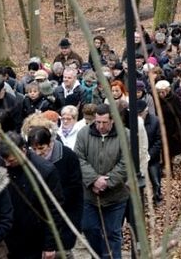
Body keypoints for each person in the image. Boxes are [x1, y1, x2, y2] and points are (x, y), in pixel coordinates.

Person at [0, 132, 64, 259]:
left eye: (11, 160)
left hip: (33, 238)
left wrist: (49, 245)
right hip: (3, 236)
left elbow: (54, 210)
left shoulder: (44, 170)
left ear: (23, 151)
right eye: (4, 160)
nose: (7, 164)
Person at [74, 103, 129, 259]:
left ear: (112, 120)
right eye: (97, 122)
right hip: (90, 195)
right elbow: (79, 159)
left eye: (104, 122)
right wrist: (94, 180)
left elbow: (126, 163)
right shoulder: (84, 134)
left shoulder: (124, 135)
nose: (100, 126)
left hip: (115, 196)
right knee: (90, 228)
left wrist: (107, 182)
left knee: (112, 233)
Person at [27, 125, 83, 250]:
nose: (38, 153)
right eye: (34, 149)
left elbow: (75, 186)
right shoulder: (29, 159)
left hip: (65, 212)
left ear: (50, 143)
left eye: (41, 148)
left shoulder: (68, 156)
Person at [137, 100, 162, 203]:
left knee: (155, 181)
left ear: (146, 111)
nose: (138, 116)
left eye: (140, 113)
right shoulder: (134, 123)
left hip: (152, 158)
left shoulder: (155, 121)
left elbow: (159, 140)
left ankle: (157, 197)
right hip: (139, 158)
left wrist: (149, 155)